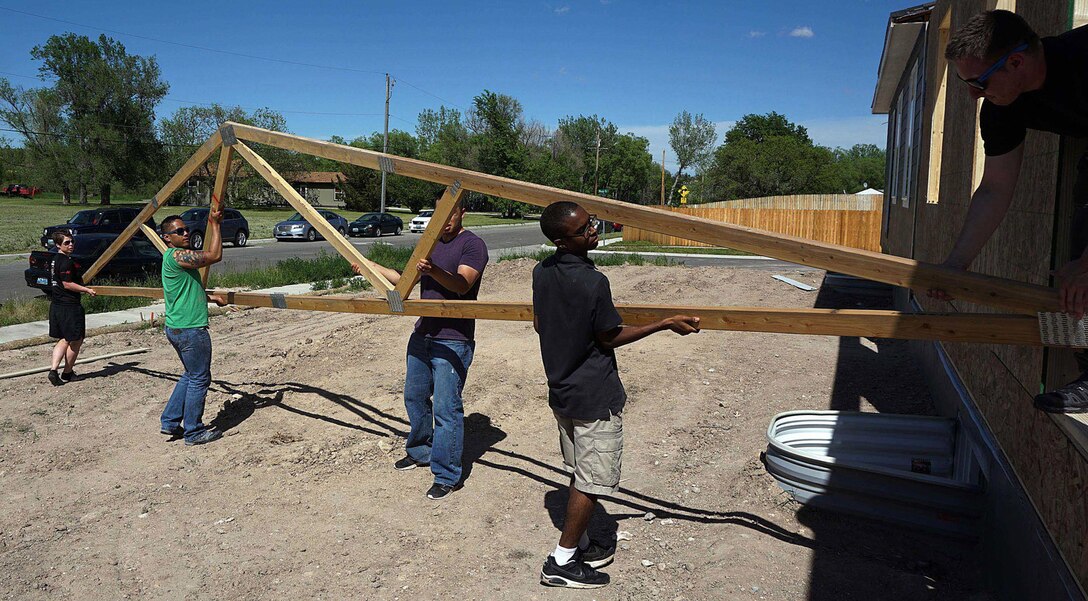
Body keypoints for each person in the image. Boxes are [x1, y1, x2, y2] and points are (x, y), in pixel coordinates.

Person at [532, 201, 700, 589]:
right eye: (584, 229)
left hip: (562, 391)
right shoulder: (594, 282)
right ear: (561, 240)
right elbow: (609, 336)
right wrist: (663, 323)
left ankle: (585, 540)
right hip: (594, 395)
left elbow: (541, 323)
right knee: (593, 480)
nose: (593, 230)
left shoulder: (541, 272)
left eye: (591, 223)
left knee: (579, 470)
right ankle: (561, 561)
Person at [930, 10, 1088, 413]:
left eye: (978, 83)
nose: (972, 95)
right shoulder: (1003, 106)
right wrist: (956, 263)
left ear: (1016, 61)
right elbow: (995, 188)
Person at [351, 202, 488, 500]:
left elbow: (462, 285)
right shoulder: (431, 243)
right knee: (414, 396)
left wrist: (434, 269)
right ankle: (420, 451)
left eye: (450, 215)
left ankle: (446, 474)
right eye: (440, 215)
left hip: (453, 338)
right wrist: (369, 267)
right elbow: (406, 279)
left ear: (461, 212)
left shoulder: (473, 244)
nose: (445, 222)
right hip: (423, 334)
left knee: (446, 408)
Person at [159, 208, 229, 446]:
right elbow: (214, 255)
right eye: (179, 231)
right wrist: (216, 225)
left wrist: (210, 298)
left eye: (186, 229)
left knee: (190, 375)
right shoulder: (178, 256)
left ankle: (169, 422)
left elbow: (183, 290)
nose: (186, 233)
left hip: (177, 327)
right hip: (190, 330)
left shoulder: (173, 260)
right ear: (167, 237)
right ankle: (194, 431)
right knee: (199, 378)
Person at [46, 232, 96, 386]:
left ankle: (53, 370)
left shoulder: (55, 260)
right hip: (69, 306)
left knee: (64, 338)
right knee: (75, 340)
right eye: (67, 243)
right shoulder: (66, 262)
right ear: (58, 245)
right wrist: (86, 290)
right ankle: (67, 373)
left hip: (57, 305)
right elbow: (67, 284)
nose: (71, 245)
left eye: (72, 242)